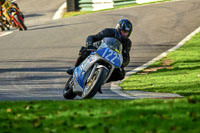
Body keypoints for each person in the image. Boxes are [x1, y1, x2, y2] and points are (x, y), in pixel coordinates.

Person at [67, 18, 133, 82]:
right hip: (99, 50)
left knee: (121, 74)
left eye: (126, 32)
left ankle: (100, 81)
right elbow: (92, 37)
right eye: (123, 31)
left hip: (111, 59)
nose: (124, 34)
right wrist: (90, 44)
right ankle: (75, 67)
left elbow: (126, 57)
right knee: (85, 50)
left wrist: (122, 64)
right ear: (118, 29)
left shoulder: (127, 43)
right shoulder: (108, 31)